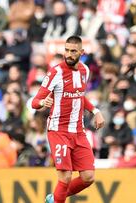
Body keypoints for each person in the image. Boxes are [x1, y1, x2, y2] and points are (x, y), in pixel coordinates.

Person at [31, 36, 105, 203]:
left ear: (81, 52)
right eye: (66, 50)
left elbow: (79, 96)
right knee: (64, 177)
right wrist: (43, 102)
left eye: (73, 51)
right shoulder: (55, 72)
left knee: (88, 177)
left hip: (78, 131)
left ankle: (54, 199)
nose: (69, 54)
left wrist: (95, 111)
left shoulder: (85, 70)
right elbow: (35, 101)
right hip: (59, 131)